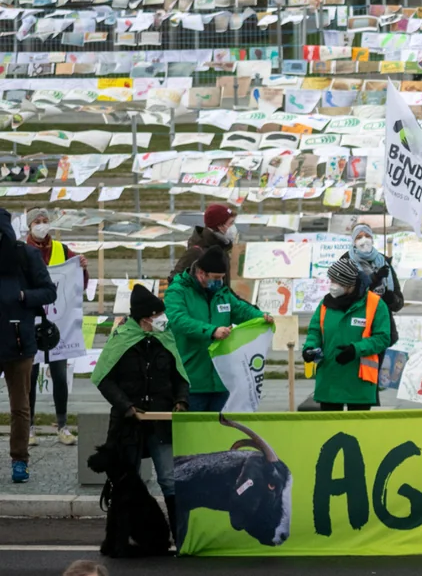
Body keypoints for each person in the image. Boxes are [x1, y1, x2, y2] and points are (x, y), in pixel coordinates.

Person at [89, 285, 187, 533]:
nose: (163, 319)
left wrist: (181, 400)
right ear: (146, 318)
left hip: (161, 422)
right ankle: (120, 538)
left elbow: (180, 376)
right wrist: (126, 406)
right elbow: (103, 379)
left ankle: (181, 537)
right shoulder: (121, 339)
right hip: (128, 424)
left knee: (170, 479)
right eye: (159, 315)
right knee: (125, 482)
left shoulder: (166, 338)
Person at [163, 246, 263, 414]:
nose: (220, 282)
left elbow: (241, 310)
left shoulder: (222, 293)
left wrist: (262, 317)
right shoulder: (178, 291)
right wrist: (211, 331)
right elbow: (178, 320)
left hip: (222, 382)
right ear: (201, 273)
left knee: (222, 429)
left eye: (222, 278)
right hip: (192, 381)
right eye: (216, 278)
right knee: (195, 429)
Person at [1, 208, 57, 483]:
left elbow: (49, 292)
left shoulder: (26, 255)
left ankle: (19, 460)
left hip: (19, 342)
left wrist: (23, 295)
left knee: (20, 407)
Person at [22, 207, 85, 445]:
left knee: (59, 375)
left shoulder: (62, 250)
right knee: (30, 376)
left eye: (44, 220)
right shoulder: (20, 251)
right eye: (36, 221)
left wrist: (82, 268)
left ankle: (62, 426)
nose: (41, 224)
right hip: (31, 321)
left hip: (60, 324)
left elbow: (78, 283)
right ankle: (29, 427)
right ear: (29, 226)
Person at [303, 257, 396, 411]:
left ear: (350, 285)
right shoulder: (326, 303)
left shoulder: (375, 304)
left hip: (359, 380)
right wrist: (309, 348)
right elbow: (315, 331)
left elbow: (383, 338)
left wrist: (355, 349)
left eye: (337, 282)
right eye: (331, 280)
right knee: (330, 425)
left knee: (357, 425)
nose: (333, 285)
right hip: (330, 379)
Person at [341, 224, 404, 314]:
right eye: (359, 237)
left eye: (367, 236)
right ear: (354, 241)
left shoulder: (383, 261)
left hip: (382, 317)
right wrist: (375, 278)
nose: (364, 240)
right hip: (358, 317)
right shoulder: (345, 261)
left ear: (372, 239)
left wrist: (392, 299)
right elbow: (343, 298)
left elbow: (399, 303)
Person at [170, 204, 236, 279]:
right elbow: (175, 279)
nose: (233, 226)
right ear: (220, 226)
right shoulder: (197, 252)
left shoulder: (222, 248)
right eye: (231, 223)